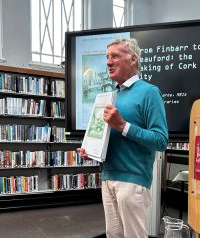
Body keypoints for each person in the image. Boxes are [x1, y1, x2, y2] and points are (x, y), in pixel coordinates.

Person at [77, 38, 168, 238]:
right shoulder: (111, 96)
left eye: (115, 56)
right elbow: (112, 139)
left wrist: (122, 125)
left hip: (132, 181)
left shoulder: (149, 92)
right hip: (108, 177)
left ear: (133, 59)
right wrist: (93, 151)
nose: (108, 62)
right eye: (107, 57)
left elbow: (161, 140)